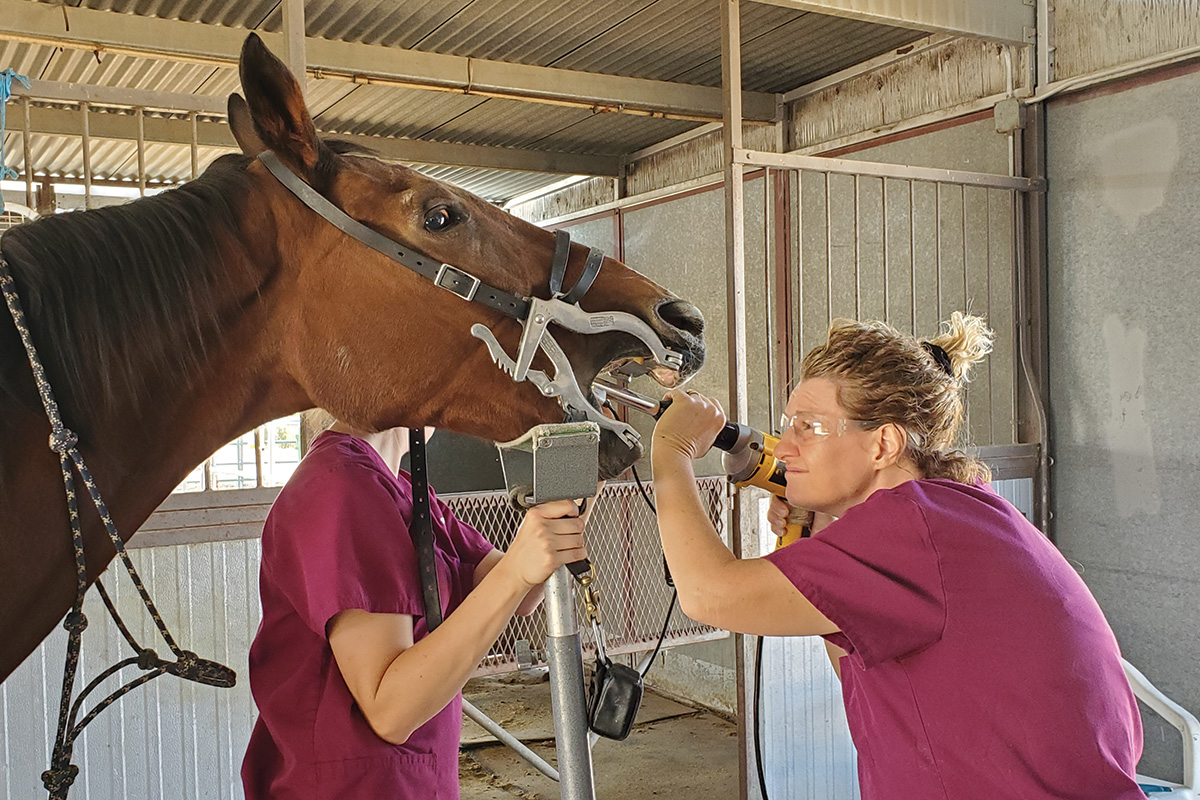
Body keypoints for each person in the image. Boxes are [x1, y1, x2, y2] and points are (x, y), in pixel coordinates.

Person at [650, 313, 1145, 800]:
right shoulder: (953, 514)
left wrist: (672, 450)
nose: (789, 447)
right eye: (787, 425)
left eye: (811, 427)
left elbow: (706, 593)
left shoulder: (913, 528)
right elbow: (853, 661)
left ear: (884, 443)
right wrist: (811, 530)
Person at [241, 421, 589, 799]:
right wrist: (515, 572)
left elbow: (523, 593)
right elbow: (390, 711)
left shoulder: (403, 489)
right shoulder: (341, 486)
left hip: (417, 783)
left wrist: (585, 472)